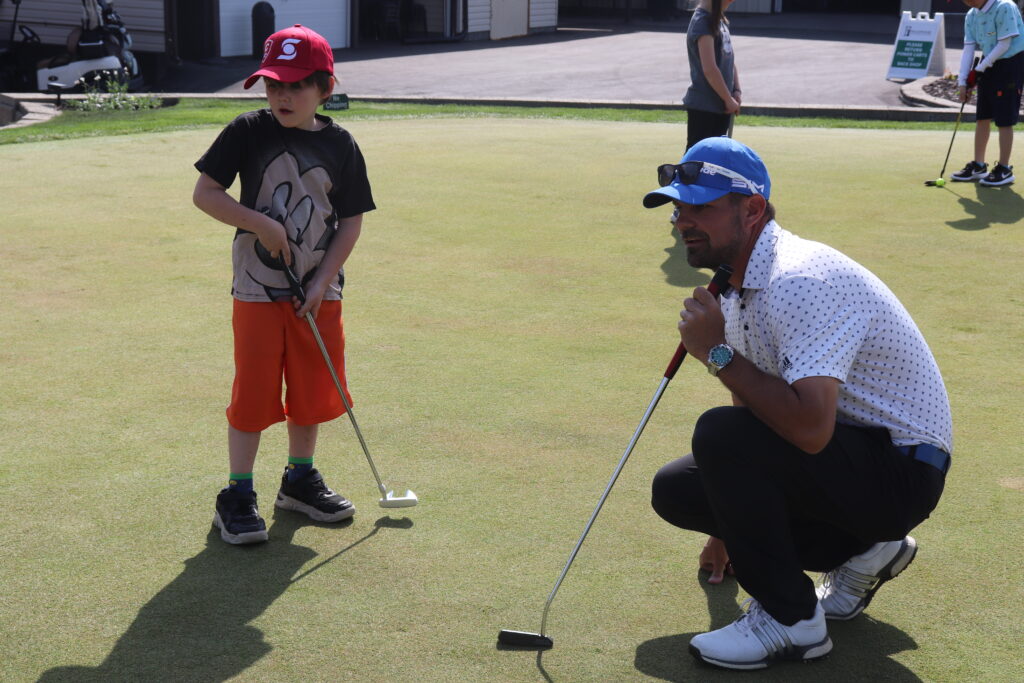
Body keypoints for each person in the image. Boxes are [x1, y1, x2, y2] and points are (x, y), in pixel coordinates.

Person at [643, 137, 953, 670]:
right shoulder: (738, 286)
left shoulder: (800, 279)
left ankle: (792, 621)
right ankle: (865, 552)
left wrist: (715, 352)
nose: (682, 221)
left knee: (718, 432)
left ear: (753, 208)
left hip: (901, 473)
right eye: (678, 207)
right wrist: (728, 527)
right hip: (850, 463)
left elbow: (808, 429)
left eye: (701, 207)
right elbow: (757, 414)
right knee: (678, 491)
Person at [193, 24, 375, 545]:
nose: (282, 96)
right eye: (274, 85)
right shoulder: (247, 131)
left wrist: (322, 280)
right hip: (256, 288)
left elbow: (352, 220)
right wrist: (260, 223)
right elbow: (206, 193)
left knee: (312, 389)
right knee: (252, 391)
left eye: (295, 86)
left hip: (318, 291)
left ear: (325, 88)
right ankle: (238, 492)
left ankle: (298, 479)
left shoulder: (341, 143)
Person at [950, 0, 1024, 186]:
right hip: (989, 62)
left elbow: (1004, 45)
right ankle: (979, 165)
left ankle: (1004, 169)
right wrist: (963, 82)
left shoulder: (1004, 7)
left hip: (1010, 63)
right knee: (983, 115)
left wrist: (979, 70)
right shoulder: (972, 15)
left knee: (1004, 119)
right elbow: (968, 49)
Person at [682, 0, 741, 152]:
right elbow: (709, 68)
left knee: (716, 161)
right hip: (705, 107)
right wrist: (728, 99)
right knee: (696, 163)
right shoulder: (703, 22)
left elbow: (729, 58)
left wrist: (736, 90)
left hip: (721, 106)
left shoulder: (719, 20)